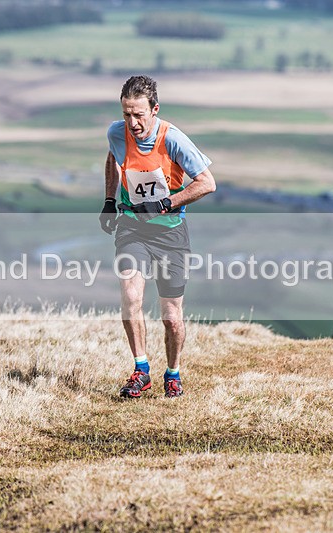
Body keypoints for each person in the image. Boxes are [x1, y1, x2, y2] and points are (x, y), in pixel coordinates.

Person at [99, 75, 216, 399]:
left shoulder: (173, 139)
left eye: (139, 115)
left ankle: (173, 373)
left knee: (172, 318)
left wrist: (165, 203)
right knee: (131, 296)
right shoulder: (117, 133)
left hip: (170, 233)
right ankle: (141, 370)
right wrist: (109, 200)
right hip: (133, 227)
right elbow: (112, 158)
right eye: (126, 114)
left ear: (155, 109)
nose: (132, 123)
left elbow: (207, 183)